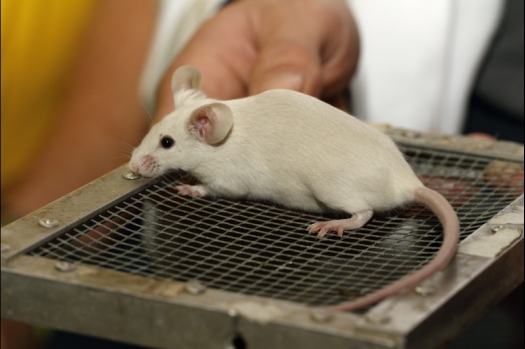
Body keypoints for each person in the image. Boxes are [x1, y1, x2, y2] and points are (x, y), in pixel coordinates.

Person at [1, 0, 522, 348]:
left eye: (161, 144)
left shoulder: (223, 144)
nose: (144, 156)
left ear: (207, 127)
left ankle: (361, 212)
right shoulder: (210, 125)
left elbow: (238, 182)